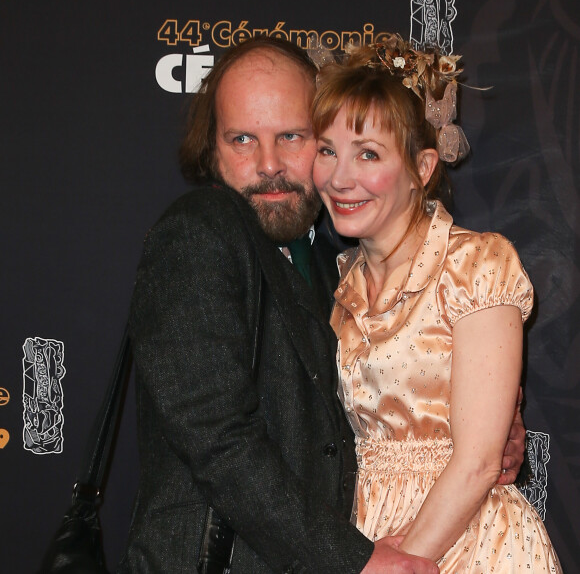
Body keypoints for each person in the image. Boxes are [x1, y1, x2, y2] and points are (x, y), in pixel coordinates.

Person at [119, 36, 524, 573]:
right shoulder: (199, 233)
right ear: (211, 150)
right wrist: (359, 560)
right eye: (241, 139)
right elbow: (219, 441)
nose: (268, 164)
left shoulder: (330, 264)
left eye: (292, 136)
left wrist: (481, 425)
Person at [310, 35, 562, 571]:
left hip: (469, 540)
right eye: (327, 150)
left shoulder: (477, 265)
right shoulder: (335, 288)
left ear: (422, 169)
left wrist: (400, 561)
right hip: (364, 536)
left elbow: (476, 462)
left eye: (368, 154)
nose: (339, 177)